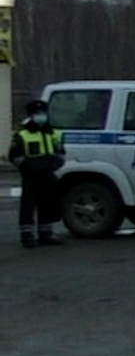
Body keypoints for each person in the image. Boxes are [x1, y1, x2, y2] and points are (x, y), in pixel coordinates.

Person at [9, 99, 66, 249]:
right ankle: (27, 236)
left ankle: (45, 233)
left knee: (48, 203)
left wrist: (55, 165)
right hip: (31, 176)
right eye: (37, 113)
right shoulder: (22, 134)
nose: (40, 116)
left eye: (42, 113)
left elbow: (60, 152)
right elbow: (15, 156)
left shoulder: (53, 132)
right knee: (28, 206)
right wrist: (30, 168)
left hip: (48, 173)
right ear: (31, 115)